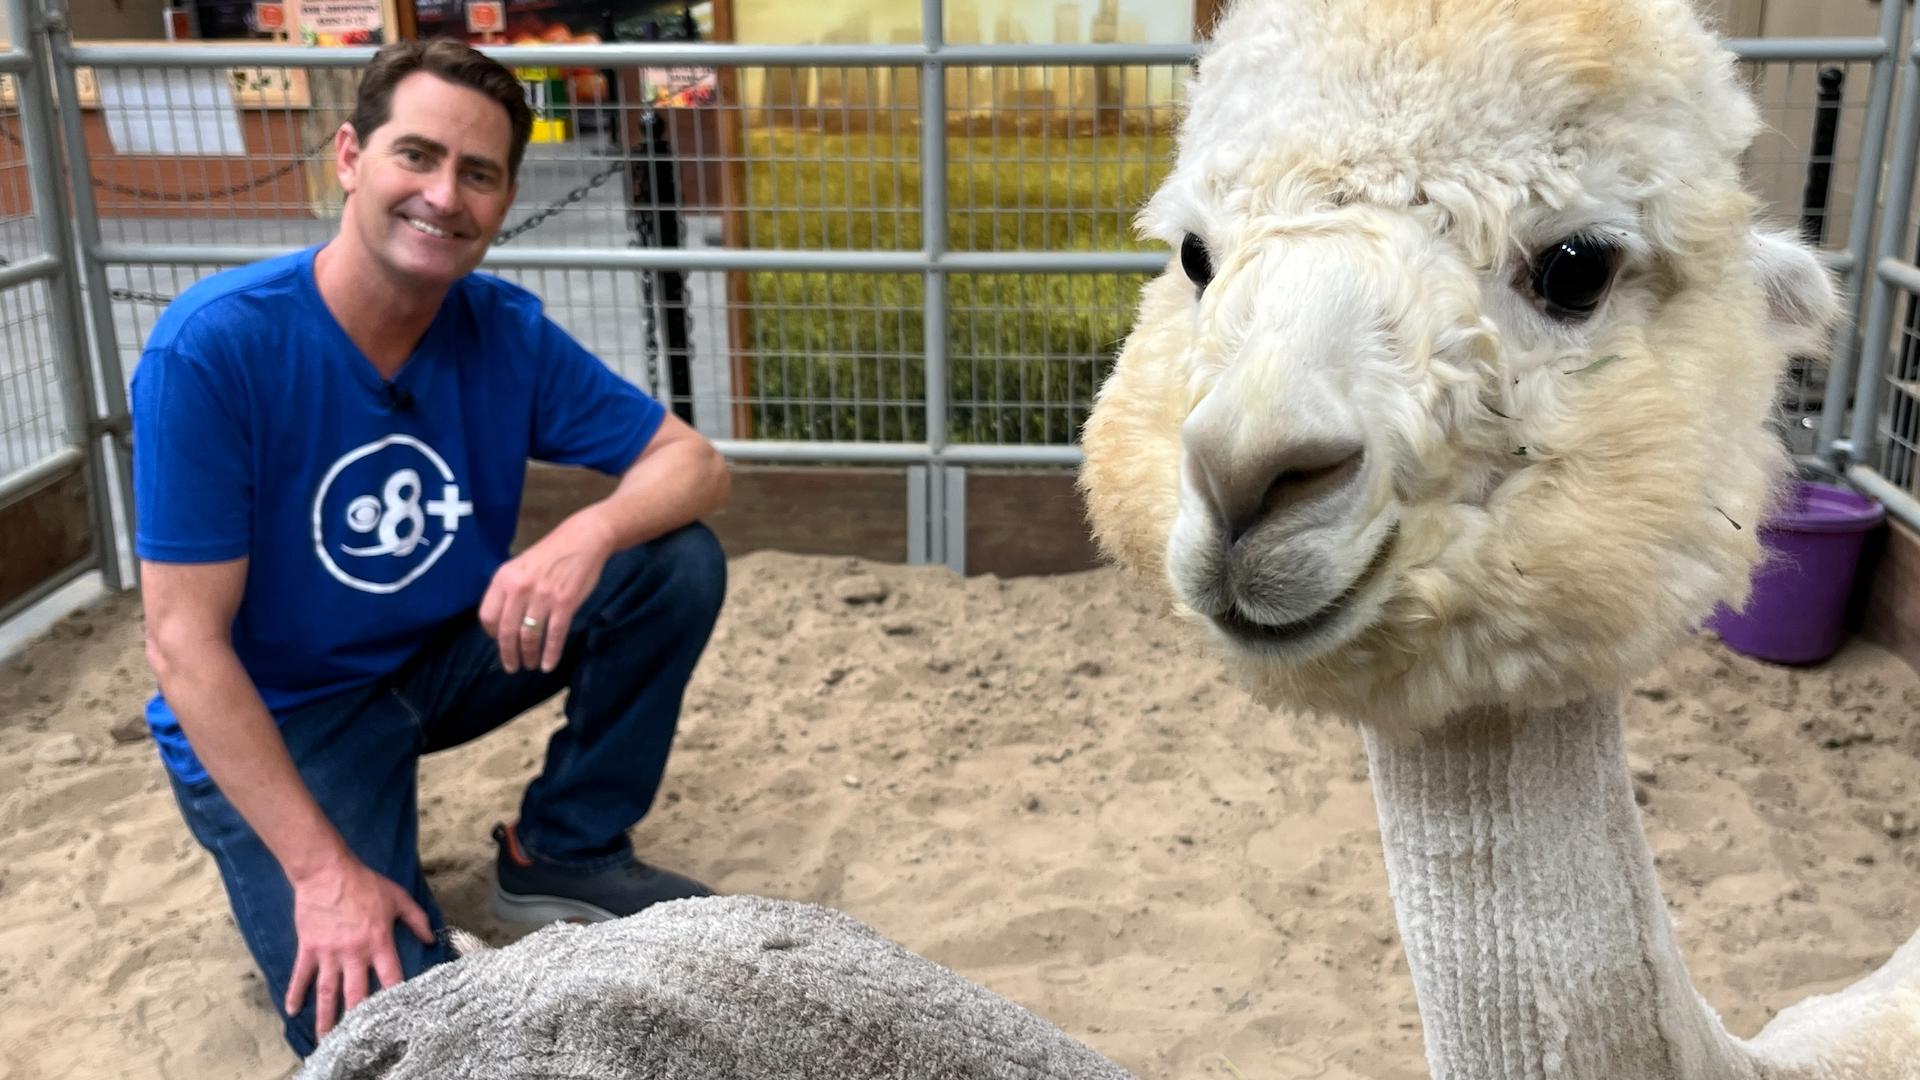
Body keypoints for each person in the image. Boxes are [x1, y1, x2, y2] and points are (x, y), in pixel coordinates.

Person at [130, 38, 731, 1057]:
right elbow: (184, 648)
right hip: (288, 713)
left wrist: (585, 531)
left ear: (501, 199)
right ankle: (335, 856)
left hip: (439, 660)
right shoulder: (216, 347)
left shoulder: (503, 330)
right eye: (418, 155)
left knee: (670, 560)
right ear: (350, 156)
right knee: (393, 1022)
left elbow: (694, 463)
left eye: (479, 173)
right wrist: (325, 877)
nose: (445, 195)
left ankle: (561, 848)